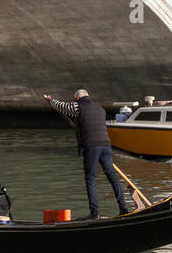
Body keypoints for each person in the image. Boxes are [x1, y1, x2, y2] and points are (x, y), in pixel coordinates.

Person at [43, 89, 128, 220]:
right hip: (106, 145)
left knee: (90, 178)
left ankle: (95, 213)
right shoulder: (100, 109)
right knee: (112, 176)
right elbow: (88, 122)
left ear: (77, 98)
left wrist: (50, 100)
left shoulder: (77, 106)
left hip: (92, 146)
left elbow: (62, 106)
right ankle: (124, 209)